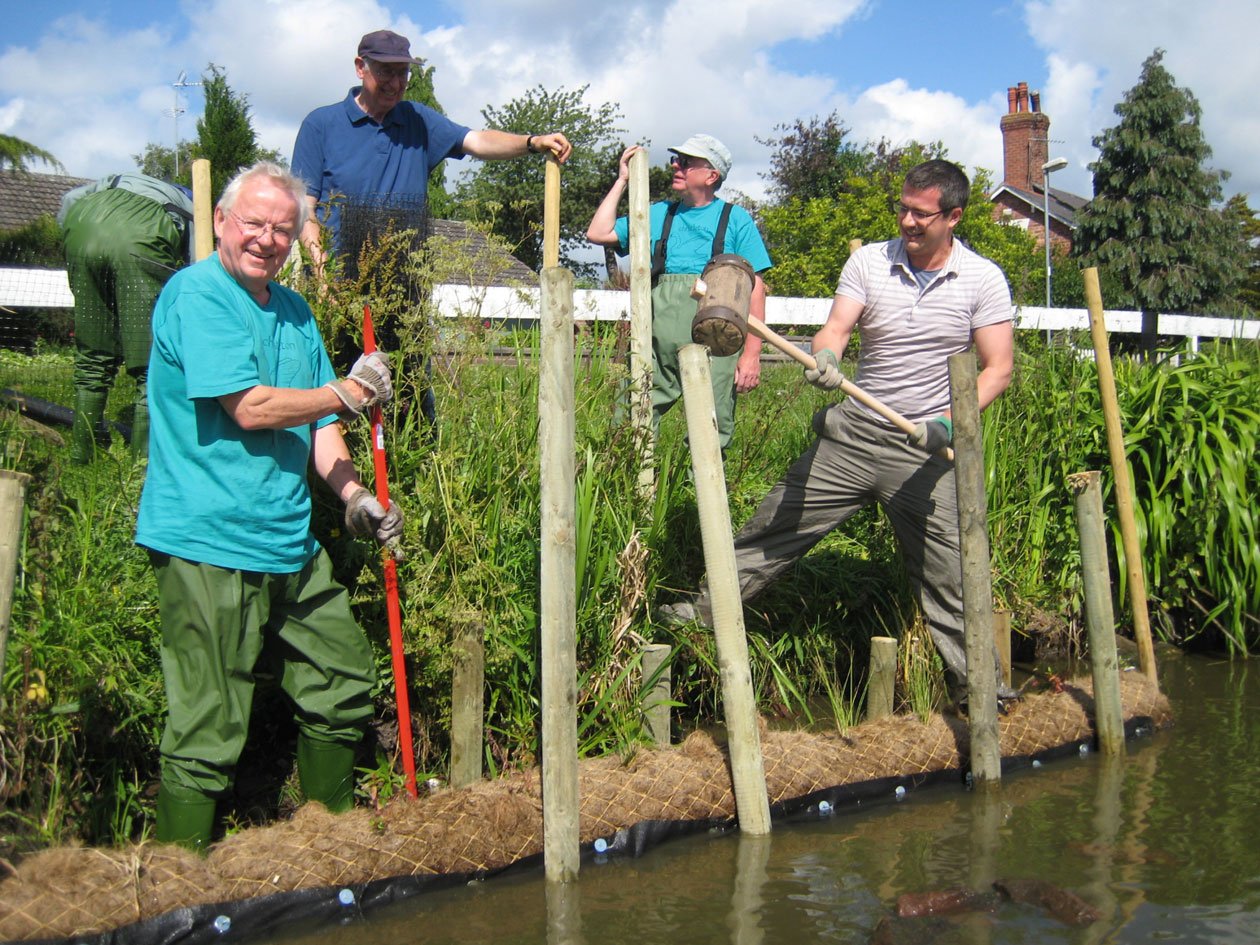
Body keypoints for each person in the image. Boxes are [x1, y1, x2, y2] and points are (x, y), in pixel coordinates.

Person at [661, 159, 1017, 708]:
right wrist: (825, 357)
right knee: (770, 530)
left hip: (926, 451)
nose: (907, 221)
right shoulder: (871, 262)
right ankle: (696, 619)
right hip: (852, 437)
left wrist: (946, 422)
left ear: (954, 216)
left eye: (921, 214)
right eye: (902, 207)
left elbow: (997, 368)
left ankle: (984, 699)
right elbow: (837, 328)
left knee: (952, 577)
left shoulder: (983, 279)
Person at [136, 162, 402, 850]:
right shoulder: (198, 296)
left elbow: (319, 430)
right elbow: (251, 406)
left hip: (287, 541)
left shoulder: (293, 311)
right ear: (221, 222)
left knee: (343, 681)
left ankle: (329, 849)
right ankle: (179, 887)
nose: (266, 239)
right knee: (208, 724)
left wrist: (353, 498)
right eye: (253, 223)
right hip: (208, 541)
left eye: (282, 229)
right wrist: (348, 391)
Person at [291, 29, 572, 426]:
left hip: (403, 284)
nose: (396, 83)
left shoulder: (418, 120)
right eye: (386, 72)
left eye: (402, 73)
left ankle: (412, 477)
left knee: (406, 390)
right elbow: (305, 208)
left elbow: (477, 141)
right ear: (360, 67)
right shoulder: (321, 125)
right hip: (341, 287)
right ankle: (339, 482)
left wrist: (532, 142)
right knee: (338, 392)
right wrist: (322, 276)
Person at [586, 136, 771, 450]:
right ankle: (634, 489)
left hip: (719, 340)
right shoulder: (658, 214)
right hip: (658, 336)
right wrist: (622, 181)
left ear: (712, 175)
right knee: (633, 413)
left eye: (686, 162)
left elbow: (756, 289)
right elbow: (598, 232)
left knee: (713, 424)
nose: (675, 165)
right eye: (676, 160)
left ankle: (699, 496)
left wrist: (751, 355)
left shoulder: (735, 219)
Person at [58, 173, 195, 462]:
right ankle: (143, 465)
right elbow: (197, 268)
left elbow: (69, 200)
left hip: (83, 224)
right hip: (142, 233)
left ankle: (83, 453)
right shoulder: (186, 205)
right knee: (151, 361)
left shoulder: (114, 181)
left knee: (93, 355)